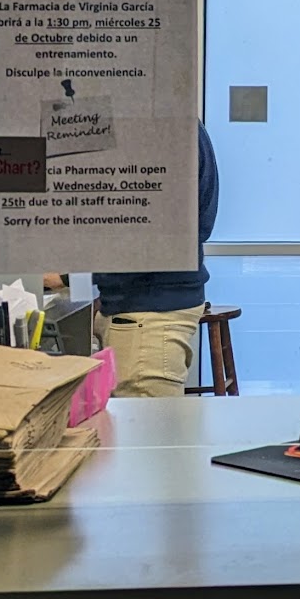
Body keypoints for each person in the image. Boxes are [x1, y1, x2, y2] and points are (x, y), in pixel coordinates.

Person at [91, 123, 220, 397]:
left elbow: (152, 237)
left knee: (145, 422)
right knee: (152, 421)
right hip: (152, 309)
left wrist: (70, 276)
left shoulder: (157, 131)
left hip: (148, 317)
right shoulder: (179, 125)